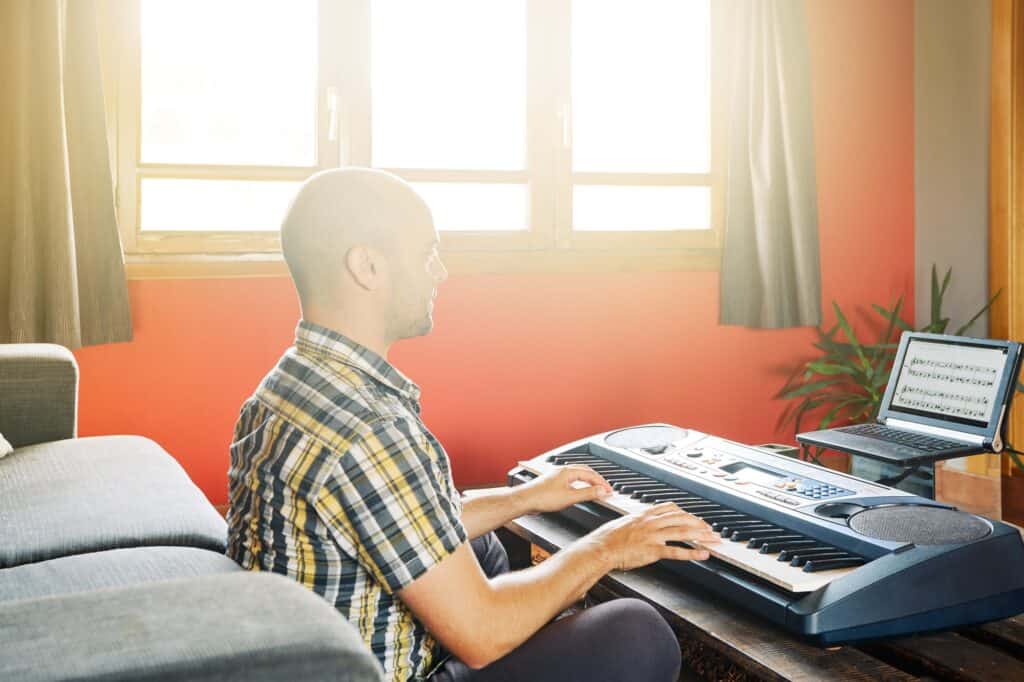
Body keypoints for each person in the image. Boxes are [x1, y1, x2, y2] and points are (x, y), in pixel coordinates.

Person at [227, 168, 720, 682]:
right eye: (426, 255)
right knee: (636, 633)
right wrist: (608, 547)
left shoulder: (288, 385)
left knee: (481, 546)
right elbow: (481, 634)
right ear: (367, 266)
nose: (439, 273)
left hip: (302, 651)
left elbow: (397, 518)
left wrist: (522, 499)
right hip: (385, 671)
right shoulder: (368, 428)